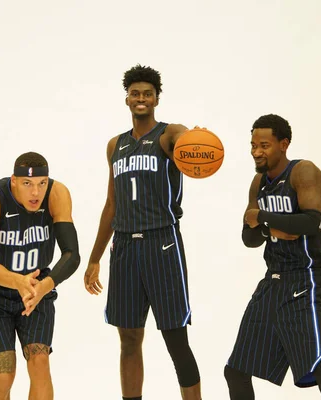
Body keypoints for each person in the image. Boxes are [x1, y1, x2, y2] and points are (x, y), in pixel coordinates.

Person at [84, 64, 202, 400]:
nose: (141, 98)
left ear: (156, 99)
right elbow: (111, 204)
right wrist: (94, 259)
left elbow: (183, 139)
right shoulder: (115, 145)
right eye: (135, 93)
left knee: (175, 338)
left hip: (161, 242)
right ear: (127, 99)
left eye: (147, 94)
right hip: (123, 247)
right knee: (129, 338)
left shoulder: (167, 134)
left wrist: (194, 140)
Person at [224, 114, 321, 399]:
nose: (257, 152)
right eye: (253, 145)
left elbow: (311, 222)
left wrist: (263, 218)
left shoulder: (303, 171)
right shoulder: (258, 182)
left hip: (305, 282)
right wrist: (272, 230)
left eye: (264, 145)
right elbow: (249, 238)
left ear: (283, 144)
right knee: (235, 372)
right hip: (272, 284)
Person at [0, 151, 80, 400]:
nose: (36, 193)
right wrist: (17, 281)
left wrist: (42, 287)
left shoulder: (57, 194)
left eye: (42, 183)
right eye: (27, 184)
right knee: (3, 374)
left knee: (40, 363)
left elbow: (72, 255)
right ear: (13, 181)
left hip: (37, 291)